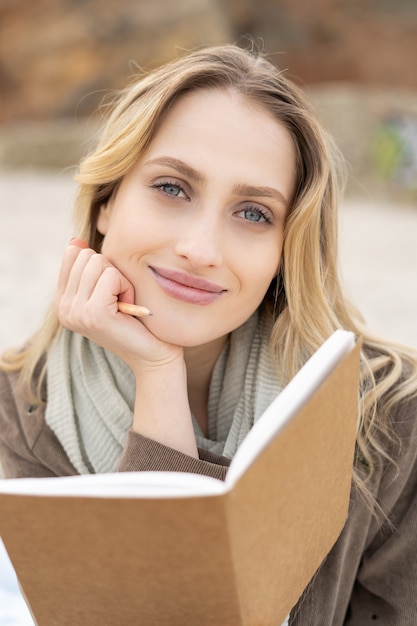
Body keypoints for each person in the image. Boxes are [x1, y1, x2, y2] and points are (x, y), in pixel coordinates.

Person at [0, 43, 416, 625]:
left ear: (285, 249)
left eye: (253, 213)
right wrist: (158, 375)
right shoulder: (27, 402)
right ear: (105, 201)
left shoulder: (391, 412)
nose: (200, 249)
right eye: (171, 187)